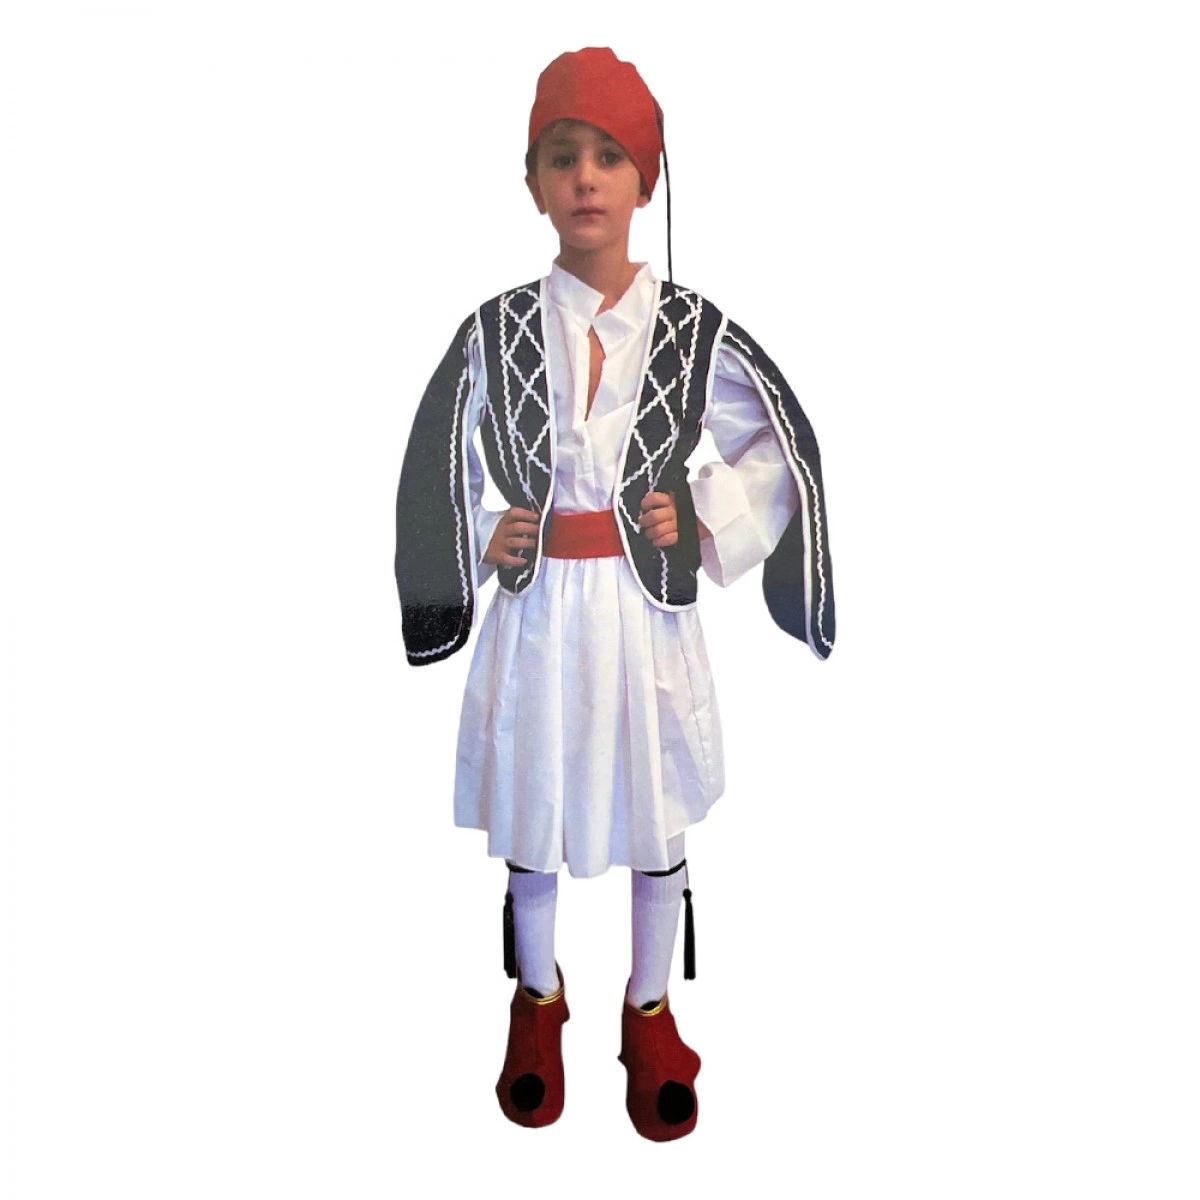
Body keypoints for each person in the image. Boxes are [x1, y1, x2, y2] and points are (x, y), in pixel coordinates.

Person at [395, 47, 836, 1141]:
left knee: (654, 806)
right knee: (533, 800)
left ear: (647, 179)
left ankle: (650, 1012)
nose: (585, 177)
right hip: (539, 612)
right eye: (562, 157)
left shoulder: (689, 331)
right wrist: (481, 533)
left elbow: (777, 446)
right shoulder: (497, 329)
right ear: (532, 183)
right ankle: (537, 1001)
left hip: (645, 621)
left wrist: (705, 516)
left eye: (608, 156)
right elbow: (438, 449)